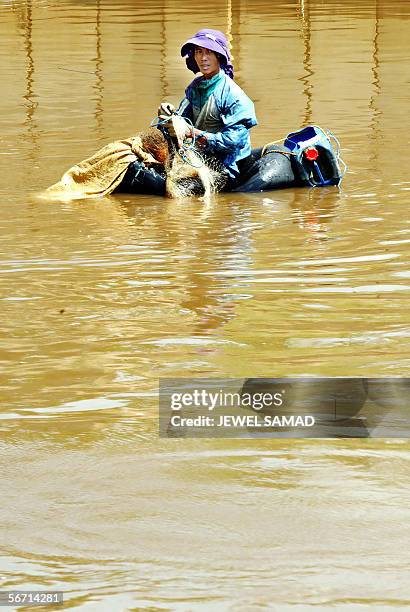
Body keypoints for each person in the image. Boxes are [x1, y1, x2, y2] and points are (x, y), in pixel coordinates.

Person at [158, 28, 259, 191]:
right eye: (199, 52)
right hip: (200, 157)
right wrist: (168, 117)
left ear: (219, 56)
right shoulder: (195, 87)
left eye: (209, 52)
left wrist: (192, 133)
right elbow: (183, 119)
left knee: (176, 189)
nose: (203, 58)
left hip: (229, 167)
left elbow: (232, 143)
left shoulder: (234, 96)